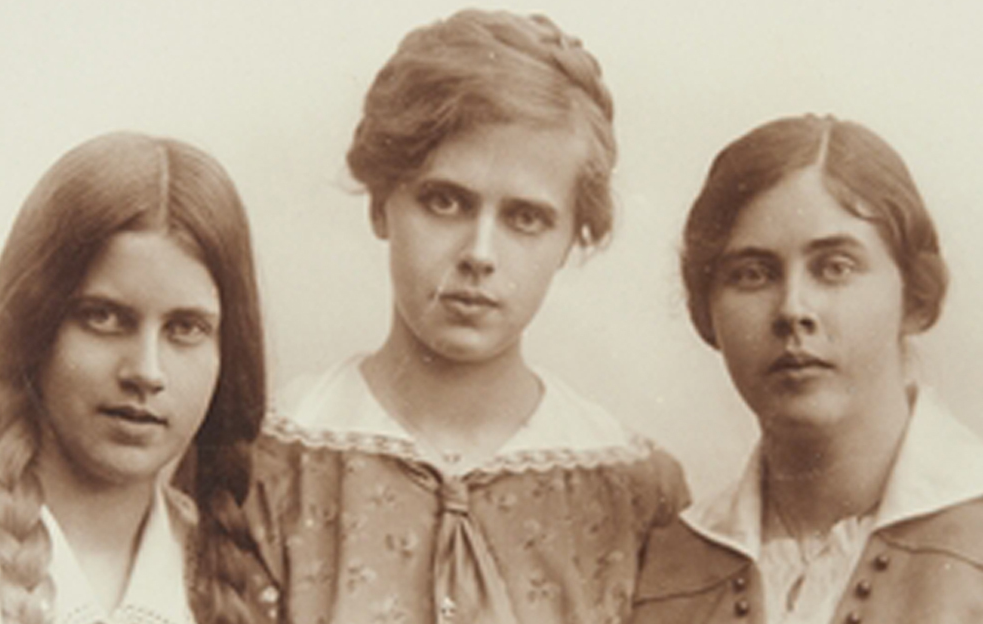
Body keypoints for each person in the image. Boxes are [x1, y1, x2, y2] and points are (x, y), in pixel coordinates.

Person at [245, 9, 688, 624]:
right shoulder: (271, 462)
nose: (480, 254)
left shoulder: (637, 491)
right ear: (381, 207)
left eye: (525, 218)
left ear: (571, 239)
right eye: (445, 201)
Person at [632, 115, 983, 623]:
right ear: (707, 314)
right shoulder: (669, 567)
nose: (793, 309)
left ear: (915, 296)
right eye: (752, 274)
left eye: (835, 268)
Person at [0, 132, 277, 624]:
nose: (146, 372)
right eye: (103, 318)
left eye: (185, 328)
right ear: (33, 325)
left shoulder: (233, 576)